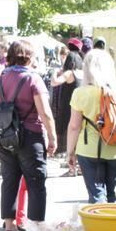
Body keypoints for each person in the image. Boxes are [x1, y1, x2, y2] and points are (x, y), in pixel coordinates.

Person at [0, 40, 57, 231]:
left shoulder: (1, 77)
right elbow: (44, 112)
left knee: (9, 181)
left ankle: (10, 228)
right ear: (30, 57)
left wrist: (9, 110)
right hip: (30, 135)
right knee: (36, 182)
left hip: (6, 135)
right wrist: (52, 137)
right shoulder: (33, 79)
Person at [66, 49, 116, 204]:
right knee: (110, 193)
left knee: (96, 195)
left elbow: (74, 126)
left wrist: (70, 152)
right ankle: (113, 223)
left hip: (90, 150)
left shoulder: (80, 93)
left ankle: (100, 226)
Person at [52, 38, 83, 172]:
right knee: (80, 138)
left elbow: (54, 82)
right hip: (82, 108)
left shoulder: (69, 73)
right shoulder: (83, 73)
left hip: (68, 108)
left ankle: (72, 167)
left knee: (70, 137)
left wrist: (55, 72)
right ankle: (80, 166)